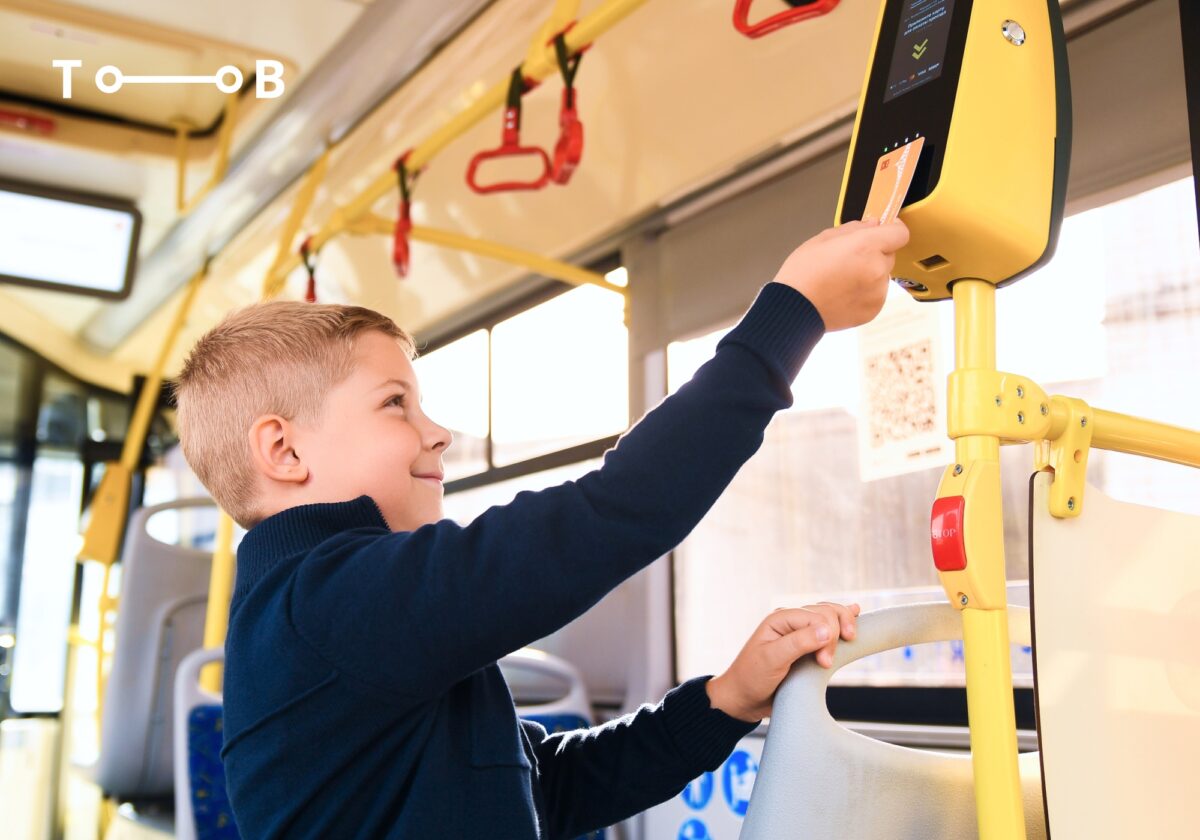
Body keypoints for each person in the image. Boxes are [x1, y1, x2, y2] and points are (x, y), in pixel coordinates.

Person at [173, 219, 909, 838]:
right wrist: (791, 316)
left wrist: (722, 700)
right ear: (283, 450)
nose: (438, 434)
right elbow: (611, 514)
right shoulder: (327, 604)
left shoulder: (351, 616)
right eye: (396, 403)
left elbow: (542, 789)